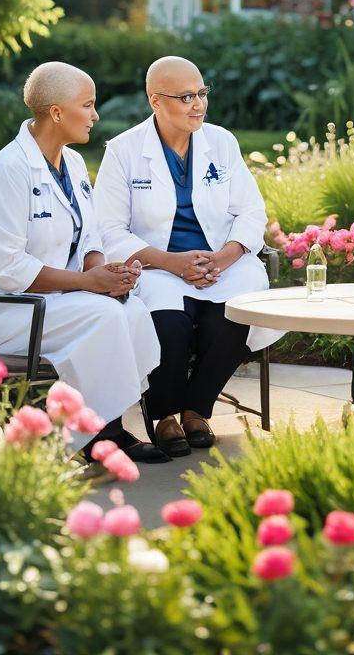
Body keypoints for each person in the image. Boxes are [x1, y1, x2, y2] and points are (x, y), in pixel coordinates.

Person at [0, 62, 167, 462]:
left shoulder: (71, 163)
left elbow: (89, 234)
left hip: (55, 298)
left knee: (132, 309)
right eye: (88, 105)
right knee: (104, 316)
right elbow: (7, 270)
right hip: (6, 308)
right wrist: (89, 283)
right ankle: (101, 437)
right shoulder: (8, 171)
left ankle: (106, 426)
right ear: (56, 112)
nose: (96, 116)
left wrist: (103, 272)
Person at [94, 56, 280, 457]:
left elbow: (251, 211)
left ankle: (197, 409)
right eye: (186, 97)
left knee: (239, 303)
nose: (199, 104)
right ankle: (164, 416)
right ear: (155, 101)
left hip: (219, 262)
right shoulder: (124, 151)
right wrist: (169, 261)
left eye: (201, 93)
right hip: (156, 264)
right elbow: (109, 229)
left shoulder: (222, 142)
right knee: (170, 324)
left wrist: (226, 257)